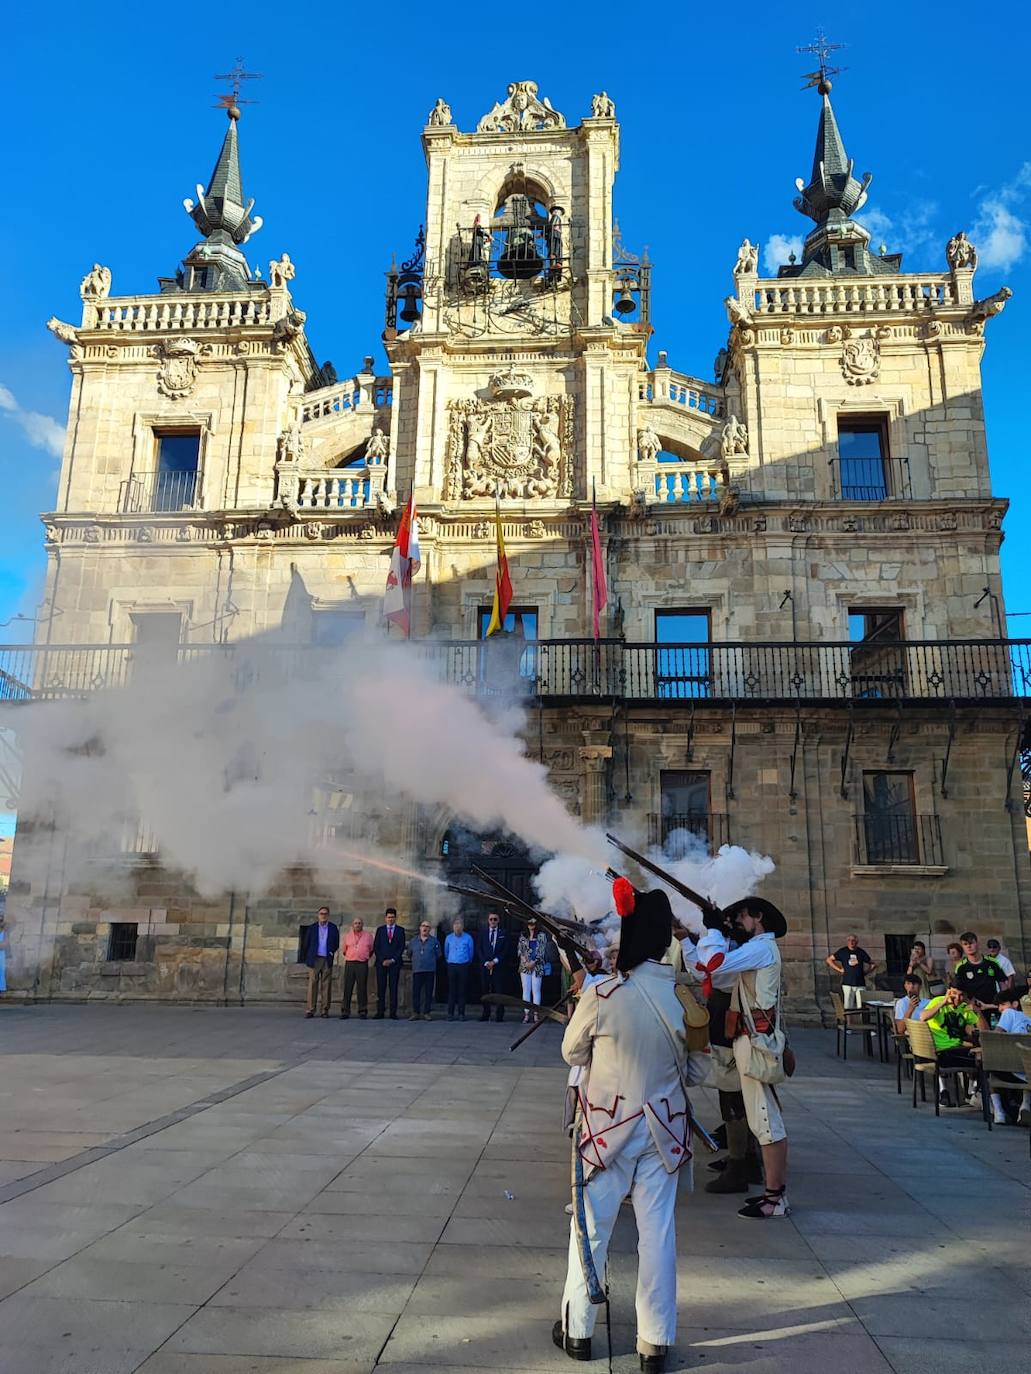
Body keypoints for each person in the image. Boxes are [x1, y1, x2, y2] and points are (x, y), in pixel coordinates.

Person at [555, 879, 691, 1372]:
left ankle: (578, 1331)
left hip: (609, 1130)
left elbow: (572, 1051)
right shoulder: (678, 1000)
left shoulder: (604, 992)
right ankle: (654, 1341)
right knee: (657, 1235)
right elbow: (694, 1069)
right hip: (664, 1131)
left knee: (590, 1230)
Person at [695, 897, 791, 1219]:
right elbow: (717, 974)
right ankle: (773, 1194)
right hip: (752, 1044)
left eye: (741, 916)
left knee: (767, 1123)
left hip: (757, 1045)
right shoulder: (759, 948)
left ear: (758, 917)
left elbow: (716, 964)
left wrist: (713, 931)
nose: (737, 921)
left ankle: (775, 1198)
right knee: (762, 1121)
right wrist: (717, 932)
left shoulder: (762, 947)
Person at [920, 983, 988, 1104]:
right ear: (948, 991)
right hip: (941, 1051)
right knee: (982, 1059)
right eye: (954, 994)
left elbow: (985, 1032)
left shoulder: (964, 1007)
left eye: (961, 995)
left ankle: (974, 1091)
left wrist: (977, 1012)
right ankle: (977, 1093)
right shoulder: (938, 1001)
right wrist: (943, 1003)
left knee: (984, 1056)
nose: (957, 998)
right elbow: (923, 1017)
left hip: (957, 1048)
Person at [989, 989, 1031, 1125]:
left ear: (1015, 1004)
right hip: (1028, 1071)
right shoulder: (1028, 1019)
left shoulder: (1009, 1013)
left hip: (1011, 1069)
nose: (1000, 1009)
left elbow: (996, 1035)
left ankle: (999, 1111)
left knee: (989, 1065)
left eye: (1003, 1005)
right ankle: (1025, 1105)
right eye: (998, 1006)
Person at [302, 907, 339, 1018]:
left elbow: (336, 942)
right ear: (318, 915)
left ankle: (324, 1010)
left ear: (328, 915)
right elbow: (306, 943)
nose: (323, 915)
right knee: (313, 983)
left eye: (325, 914)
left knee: (326, 984)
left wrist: (331, 952)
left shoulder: (333, 928)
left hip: (327, 958)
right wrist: (308, 956)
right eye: (321, 913)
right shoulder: (312, 928)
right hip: (315, 958)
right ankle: (310, 1009)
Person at [953, 933, 1004, 1008]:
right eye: (965, 944)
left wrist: (1002, 1004)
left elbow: (1003, 986)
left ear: (977, 943)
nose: (969, 946)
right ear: (962, 947)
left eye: (971, 943)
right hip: (972, 1008)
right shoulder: (961, 967)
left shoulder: (992, 962)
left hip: (992, 1006)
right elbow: (957, 990)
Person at [373, 907, 406, 1019]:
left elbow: (401, 947)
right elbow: (376, 947)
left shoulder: (400, 930)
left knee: (393, 988)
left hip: (394, 963)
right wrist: (383, 960)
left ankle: (393, 1012)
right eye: (388, 917)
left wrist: (392, 960)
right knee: (381, 988)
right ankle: (380, 1011)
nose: (390, 919)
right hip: (381, 963)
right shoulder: (380, 930)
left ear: (395, 918)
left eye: (392, 917)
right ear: (385, 918)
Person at [826, 934, 874, 1009]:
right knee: (848, 1005)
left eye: (853, 940)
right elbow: (829, 960)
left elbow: (873, 964)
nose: (851, 942)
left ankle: (862, 1020)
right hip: (847, 983)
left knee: (862, 1006)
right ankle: (849, 1021)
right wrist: (839, 969)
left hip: (860, 983)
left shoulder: (861, 952)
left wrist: (866, 972)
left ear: (857, 942)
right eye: (849, 940)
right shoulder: (843, 951)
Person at [340, 917, 374, 1019]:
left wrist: (363, 956)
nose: (357, 925)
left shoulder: (368, 936)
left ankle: (362, 1010)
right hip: (350, 963)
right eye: (355, 923)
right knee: (348, 987)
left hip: (362, 963)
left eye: (359, 923)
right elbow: (344, 950)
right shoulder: (347, 936)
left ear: (362, 925)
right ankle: (345, 1011)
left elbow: (371, 949)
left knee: (362, 988)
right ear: (352, 925)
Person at [477, 911, 508, 1021]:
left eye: (495, 919)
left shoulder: (503, 933)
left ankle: (499, 1015)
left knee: (499, 991)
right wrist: (486, 962)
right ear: (488, 921)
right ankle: (486, 1013)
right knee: (485, 990)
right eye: (491, 919)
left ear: (498, 921)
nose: (493, 921)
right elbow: (479, 949)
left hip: (498, 967)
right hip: (485, 967)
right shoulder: (483, 933)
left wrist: (494, 961)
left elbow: (505, 950)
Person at [409, 920, 440, 1021]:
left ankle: (427, 1012)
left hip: (429, 970)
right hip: (417, 970)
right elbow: (409, 953)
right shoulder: (413, 941)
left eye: (427, 926)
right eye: (423, 926)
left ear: (430, 929)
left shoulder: (434, 941)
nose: (425, 928)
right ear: (420, 928)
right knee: (416, 992)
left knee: (428, 992)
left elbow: (438, 954)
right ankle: (415, 1012)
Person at [518, 917, 547, 1023]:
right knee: (526, 989)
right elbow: (520, 950)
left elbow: (542, 951)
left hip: (537, 966)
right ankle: (526, 1014)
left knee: (536, 990)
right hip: (525, 966)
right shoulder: (523, 935)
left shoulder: (541, 936)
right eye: (529, 923)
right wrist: (526, 962)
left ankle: (536, 1014)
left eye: (533, 923)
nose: (531, 925)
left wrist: (533, 962)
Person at [445, 917, 474, 1021]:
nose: (458, 926)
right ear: (453, 926)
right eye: (456, 924)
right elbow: (446, 952)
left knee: (462, 990)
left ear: (463, 926)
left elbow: (471, 953)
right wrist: (450, 961)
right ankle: (450, 1013)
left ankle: (461, 1013)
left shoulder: (468, 938)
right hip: (452, 965)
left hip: (463, 965)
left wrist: (466, 962)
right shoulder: (448, 938)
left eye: (460, 924)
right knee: (452, 991)